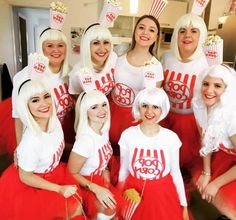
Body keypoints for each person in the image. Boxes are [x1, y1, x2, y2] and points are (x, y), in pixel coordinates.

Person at [0, 80, 84, 220]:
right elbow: (26, 176)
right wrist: (59, 189)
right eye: (35, 100)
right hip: (31, 182)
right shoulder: (31, 141)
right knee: (71, 209)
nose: (44, 103)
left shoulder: (53, 121)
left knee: (75, 207)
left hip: (54, 172)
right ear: (26, 106)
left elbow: (57, 145)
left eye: (46, 96)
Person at [118, 87, 189, 220]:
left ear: (162, 110)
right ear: (139, 107)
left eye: (155, 107)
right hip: (134, 190)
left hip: (162, 193)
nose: (149, 111)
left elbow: (175, 172)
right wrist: (119, 199)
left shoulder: (171, 138)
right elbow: (124, 170)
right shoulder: (128, 135)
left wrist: (183, 205)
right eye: (145, 106)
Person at [109, 15, 164, 183]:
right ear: (135, 31)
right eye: (141, 27)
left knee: (127, 157)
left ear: (156, 37)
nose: (145, 32)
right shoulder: (118, 55)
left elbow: (153, 101)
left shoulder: (156, 66)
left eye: (151, 30)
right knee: (108, 154)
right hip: (111, 113)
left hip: (134, 118)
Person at [8, 28, 74, 160]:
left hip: (63, 132)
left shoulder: (70, 72)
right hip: (39, 137)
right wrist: (21, 148)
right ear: (41, 48)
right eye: (50, 46)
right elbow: (19, 117)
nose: (56, 50)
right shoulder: (25, 76)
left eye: (60, 45)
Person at [160, 13, 209, 182]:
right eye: (182, 30)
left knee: (185, 166)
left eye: (194, 31)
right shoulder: (166, 57)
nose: (187, 35)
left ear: (201, 35)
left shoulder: (208, 62)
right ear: (176, 35)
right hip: (165, 118)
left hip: (191, 122)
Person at [68, 90, 124, 220]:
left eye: (104, 104)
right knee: (108, 210)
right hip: (84, 183)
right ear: (85, 111)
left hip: (99, 177)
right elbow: (71, 173)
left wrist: (105, 169)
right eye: (94, 107)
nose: (102, 110)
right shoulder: (85, 141)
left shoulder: (102, 128)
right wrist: (96, 189)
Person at [192, 64, 236, 220]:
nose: (209, 91)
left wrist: (215, 184)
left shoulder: (232, 118)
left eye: (217, 85)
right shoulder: (199, 104)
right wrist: (206, 172)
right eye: (206, 84)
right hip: (223, 157)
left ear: (227, 90)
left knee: (230, 206)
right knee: (204, 184)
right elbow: (205, 140)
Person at [69, 23, 117, 97]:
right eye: (96, 43)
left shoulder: (113, 58)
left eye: (106, 42)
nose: (102, 48)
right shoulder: (77, 72)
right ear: (87, 45)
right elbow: (78, 100)